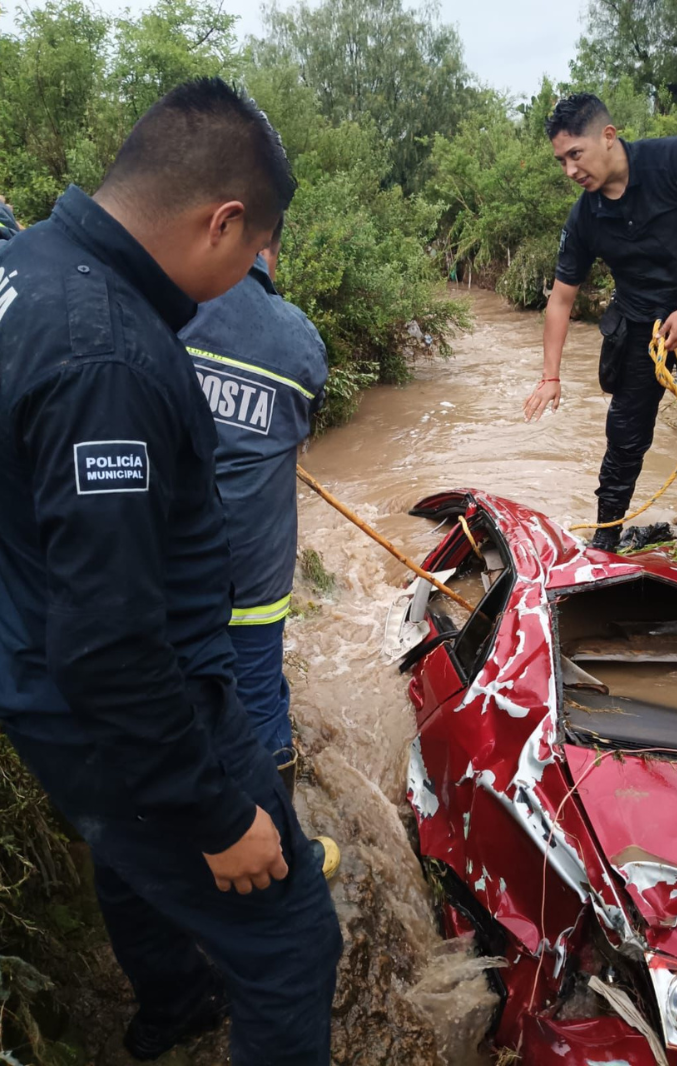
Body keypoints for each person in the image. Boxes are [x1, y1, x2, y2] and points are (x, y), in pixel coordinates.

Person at [0, 79, 342, 1063]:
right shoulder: (106, 357)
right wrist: (218, 814)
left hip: (47, 684)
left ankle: (173, 1004)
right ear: (223, 222)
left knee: (127, 850)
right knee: (291, 942)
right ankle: (185, 992)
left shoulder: (26, 265)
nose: (239, 279)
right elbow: (110, 642)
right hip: (125, 711)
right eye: (249, 251)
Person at [522, 93, 677, 585]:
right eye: (561, 160)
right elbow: (562, 299)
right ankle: (605, 538)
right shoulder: (585, 216)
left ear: (608, 137)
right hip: (639, 331)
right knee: (625, 436)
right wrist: (550, 376)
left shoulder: (676, 161)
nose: (570, 170)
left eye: (576, 155)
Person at [179, 220, 329, 804]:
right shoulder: (299, 339)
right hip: (256, 573)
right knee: (261, 701)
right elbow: (301, 422)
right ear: (269, 249)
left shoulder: (168, 311)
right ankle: (279, 833)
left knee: (176, 696)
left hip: (171, 568)